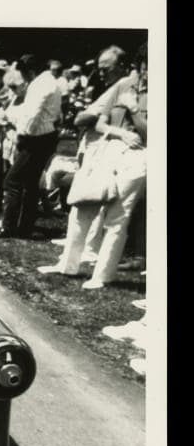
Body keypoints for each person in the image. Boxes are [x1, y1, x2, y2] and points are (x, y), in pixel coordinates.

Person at [37, 45, 147, 288]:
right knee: (81, 205)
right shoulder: (125, 85)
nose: (146, 73)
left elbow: (151, 133)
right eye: (143, 67)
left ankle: (102, 275)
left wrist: (134, 110)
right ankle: (67, 265)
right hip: (110, 149)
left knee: (117, 217)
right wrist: (117, 131)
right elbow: (98, 123)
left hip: (139, 157)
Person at [0, 55, 62, 239]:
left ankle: (9, 226)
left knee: (12, 181)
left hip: (36, 138)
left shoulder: (39, 85)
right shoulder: (50, 82)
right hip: (46, 136)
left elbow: (32, 117)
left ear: (30, 72)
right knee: (30, 184)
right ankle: (24, 227)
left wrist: (22, 136)